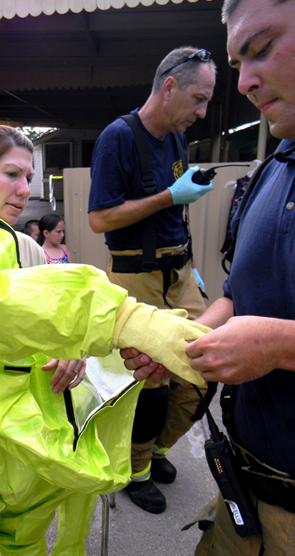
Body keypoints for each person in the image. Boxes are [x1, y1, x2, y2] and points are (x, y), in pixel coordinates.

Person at [0, 123, 211, 555]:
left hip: (26, 454)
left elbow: (39, 320)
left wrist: (71, 351)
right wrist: (123, 319)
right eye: (11, 174)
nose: (25, 189)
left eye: (28, 176)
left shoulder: (24, 247)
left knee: (27, 545)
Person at [123, 0, 295, 552]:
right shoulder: (273, 168)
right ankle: (139, 467)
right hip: (247, 486)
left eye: (261, 48)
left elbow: (266, 326)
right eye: (238, 61)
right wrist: (182, 338)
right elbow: (245, 293)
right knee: (152, 387)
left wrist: (279, 345)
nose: (245, 82)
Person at [88, 46, 216, 513]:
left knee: (204, 371)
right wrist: (168, 196)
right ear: (169, 88)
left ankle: (157, 448)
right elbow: (100, 219)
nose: (202, 113)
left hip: (179, 269)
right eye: (198, 99)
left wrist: (192, 263)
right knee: (151, 381)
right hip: (136, 276)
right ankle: (135, 469)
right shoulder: (118, 138)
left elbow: (173, 207)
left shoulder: (178, 140)